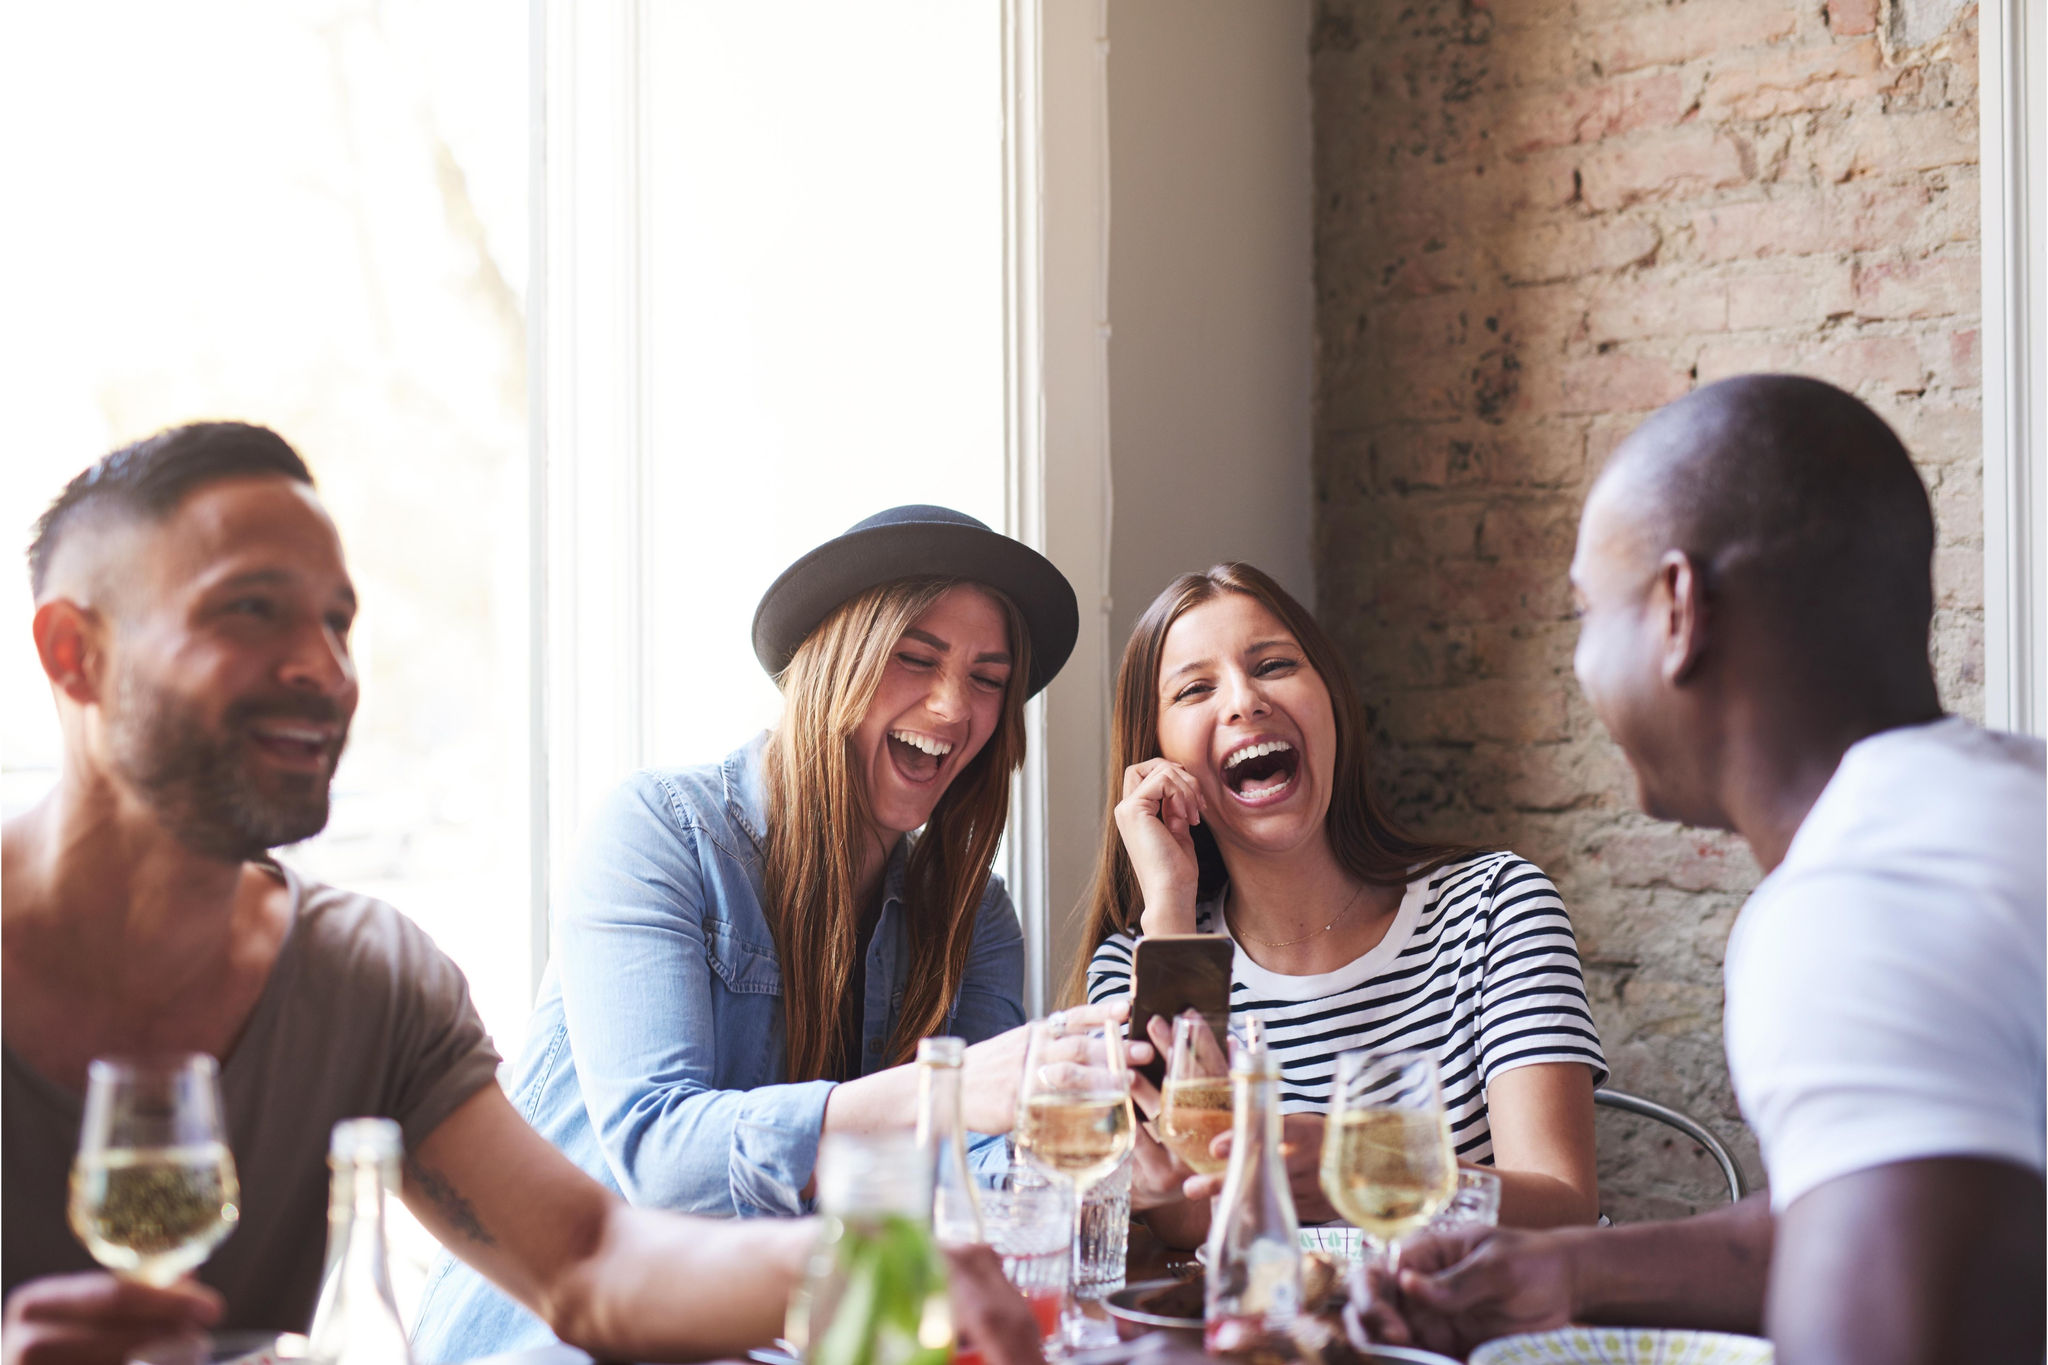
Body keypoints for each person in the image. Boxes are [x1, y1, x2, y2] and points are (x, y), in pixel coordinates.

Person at [1, 426, 1043, 1365]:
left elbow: (588, 1258)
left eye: (338, 621)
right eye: (250, 610)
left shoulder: (366, 977)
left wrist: (868, 1266)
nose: (325, 667)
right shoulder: (663, 831)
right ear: (73, 653)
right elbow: (653, 1169)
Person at [1365, 375, 2047, 1365]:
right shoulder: (1989, 803)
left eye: (1586, 613)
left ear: (1677, 610)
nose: (1580, 667)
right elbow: (1879, 1213)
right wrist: (1555, 1275)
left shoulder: (1859, 906)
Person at [412, 505, 1100, 1360]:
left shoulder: (972, 912)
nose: (954, 705)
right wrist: (946, 1091)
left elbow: (977, 1178)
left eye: (989, 677)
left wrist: (1101, 1171)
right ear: (831, 664)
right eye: (914, 658)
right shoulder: (658, 830)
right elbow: (659, 1159)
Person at [1069, 562, 1605, 1247]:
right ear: (1159, 756)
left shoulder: (1496, 906)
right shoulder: (1144, 959)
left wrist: (1347, 1166)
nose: (1243, 701)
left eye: (1273, 664)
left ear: (1331, 700)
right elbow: (1187, 1212)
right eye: (1196, 688)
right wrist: (1169, 907)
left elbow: (1563, 1204)